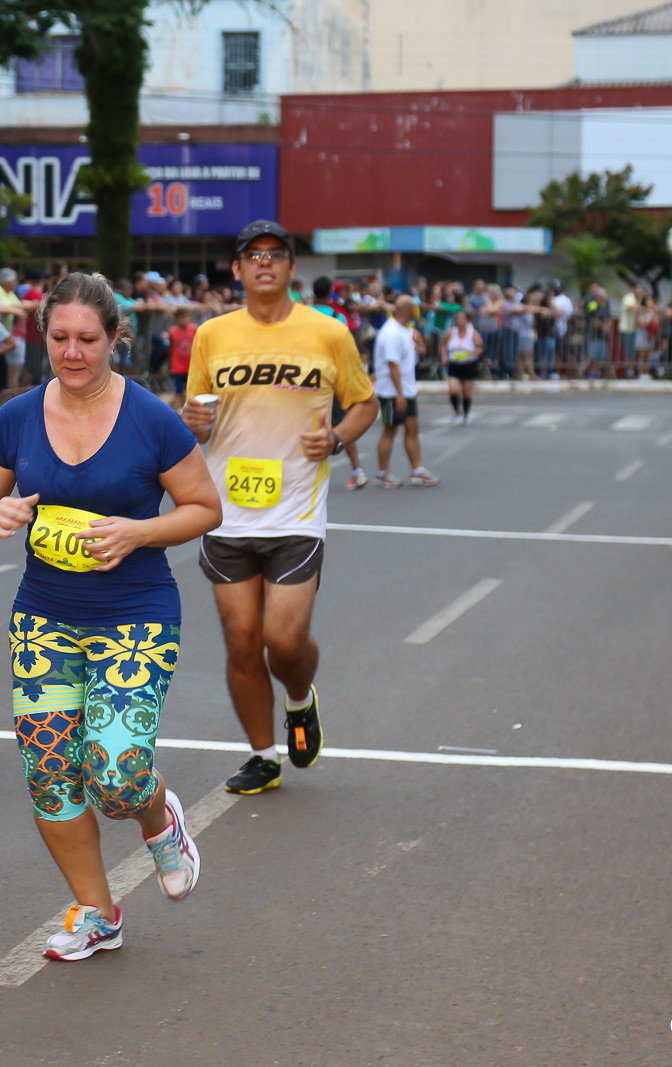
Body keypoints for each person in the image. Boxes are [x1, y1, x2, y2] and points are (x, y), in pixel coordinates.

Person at [0, 272, 221, 961]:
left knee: (116, 777)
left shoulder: (150, 418)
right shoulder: (18, 416)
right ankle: (98, 913)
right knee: (50, 774)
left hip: (135, 615)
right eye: (59, 338)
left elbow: (205, 508)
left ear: (114, 338)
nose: (72, 352)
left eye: (87, 339)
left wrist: (139, 532)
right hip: (44, 617)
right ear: (42, 336)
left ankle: (158, 813)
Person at [180, 219, 377, 795]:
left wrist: (335, 438)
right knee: (242, 641)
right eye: (253, 255)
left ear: (292, 267)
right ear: (237, 270)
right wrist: (192, 419)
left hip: (296, 512)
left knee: (284, 643)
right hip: (227, 512)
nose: (264, 263)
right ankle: (263, 757)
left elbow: (365, 404)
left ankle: (299, 698)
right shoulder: (212, 334)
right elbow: (197, 418)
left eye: (276, 254)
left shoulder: (328, 332)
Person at [371, 295, 438, 489]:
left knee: (412, 428)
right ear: (409, 310)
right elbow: (393, 365)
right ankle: (382, 473)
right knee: (389, 430)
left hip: (406, 390)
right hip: (391, 393)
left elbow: (414, 353)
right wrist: (399, 395)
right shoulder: (391, 332)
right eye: (415, 308)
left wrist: (419, 345)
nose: (417, 311)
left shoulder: (405, 331)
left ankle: (417, 470)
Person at [444, 308, 484, 424]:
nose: (460, 320)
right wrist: (444, 356)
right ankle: (456, 410)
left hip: (469, 365)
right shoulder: (451, 332)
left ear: (467, 320)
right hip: (454, 364)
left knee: (466, 393)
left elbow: (480, 348)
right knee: (453, 389)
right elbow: (443, 345)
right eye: (458, 318)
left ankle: (466, 414)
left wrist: (473, 351)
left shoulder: (473, 333)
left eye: (462, 318)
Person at [166, 305, 196, 408]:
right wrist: (171, 366)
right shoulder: (172, 332)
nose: (185, 320)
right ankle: (176, 412)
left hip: (191, 366)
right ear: (177, 319)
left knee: (191, 392)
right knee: (178, 392)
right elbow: (171, 349)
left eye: (187, 317)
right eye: (182, 317)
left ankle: (189, 411)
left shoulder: (193, 329)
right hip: (178, 367)